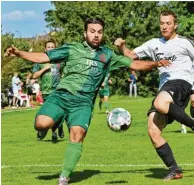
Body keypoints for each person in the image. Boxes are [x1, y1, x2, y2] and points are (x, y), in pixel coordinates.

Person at [5, 18, 171, 185]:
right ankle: (51, 123)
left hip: (83, 103)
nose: (96, 35)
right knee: (41, 124)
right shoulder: (72, 48)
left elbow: (134, 64)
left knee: (77, 135)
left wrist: (156, 63)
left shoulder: (107, 54)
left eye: (99, 32)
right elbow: (43, 57)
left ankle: (64, 177)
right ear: (85, 33)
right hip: (61, 96)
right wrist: (19, 53)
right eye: (92, 31)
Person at [114, 10, 194, 181]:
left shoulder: (185, 43)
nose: (164, 26)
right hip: (166, 88)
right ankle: (175, 169)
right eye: (162, 23)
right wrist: (120, 47)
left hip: (182, 83)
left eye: (168, 23)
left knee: (160, 103)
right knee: (153, 130)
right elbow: (131, 56)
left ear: (175, 25)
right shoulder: (154, 44)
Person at [32, 40, 65, 141]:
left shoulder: (60, 61)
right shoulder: (40, 62)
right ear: (45, 49)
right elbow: (34, 75)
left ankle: (55, 131)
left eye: (52, 47)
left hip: (57, 91)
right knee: (49, 113)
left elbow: (65, 73)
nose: (51, 48)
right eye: (49, 47)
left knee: (57, 110)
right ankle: (58, 126)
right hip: (46, 92)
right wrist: (44, 69)